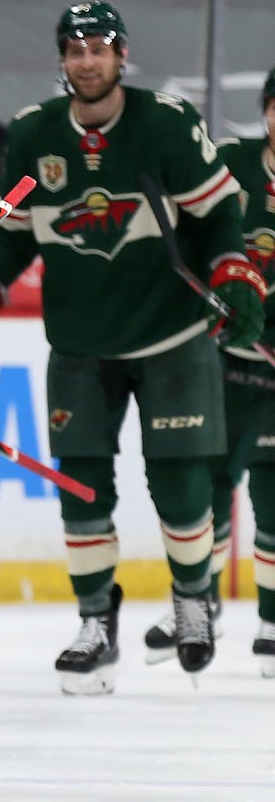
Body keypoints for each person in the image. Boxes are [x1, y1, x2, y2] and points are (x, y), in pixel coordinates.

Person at [0, 0, 265, 693]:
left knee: (181, 485)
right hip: (80, 343)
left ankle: (190, 598)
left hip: (173, 337)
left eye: (99, 47)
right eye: (75, 48)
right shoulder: (34, 133)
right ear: (62, 60)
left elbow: (217, 216)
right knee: (82, 489)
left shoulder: (168, 124)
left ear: (123, 56)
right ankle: (95, 621)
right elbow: (13, 236)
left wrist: (234, 272)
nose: (87, 60)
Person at [142, 66, 275, 676]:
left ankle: (272, 621)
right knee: (207, 486)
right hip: (224, 357)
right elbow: (199, 228)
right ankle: (198, 604)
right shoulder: (231, 163)